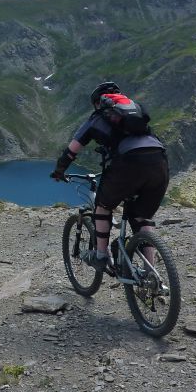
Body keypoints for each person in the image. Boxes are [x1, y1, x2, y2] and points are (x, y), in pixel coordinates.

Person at [50, 82, 169, 271]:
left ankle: (101, 256)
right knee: (142, 217)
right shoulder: (136, 117)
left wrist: (59, 171)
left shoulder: (97, 118)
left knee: (103, 207)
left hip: (127, 165)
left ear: (98, 103)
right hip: (159, 163)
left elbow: (72, 150)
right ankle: (151, 273)